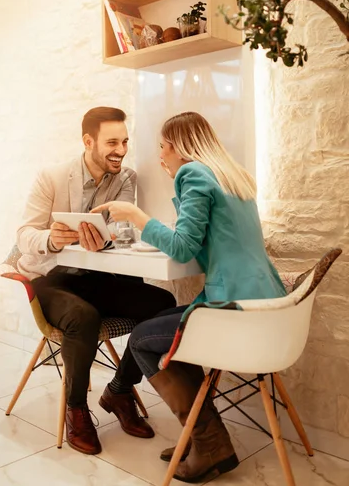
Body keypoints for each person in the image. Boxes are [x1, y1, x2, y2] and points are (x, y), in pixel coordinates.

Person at [92, 111, 287, 483]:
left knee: (142, 339)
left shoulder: (193, 173)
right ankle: (204, 439)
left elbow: (182, 250)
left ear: (181, 146)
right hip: (267, 307)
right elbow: (201, 241)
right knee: (167, 328)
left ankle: (209, 442)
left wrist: (135, 215)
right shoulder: (231, 176)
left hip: (235, 310)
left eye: (163, 147)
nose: (160, 156)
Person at [16, 106, 176, 456]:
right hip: (51, 280)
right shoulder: (52, 176)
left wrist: (106, 238)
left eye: (125, 141)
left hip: (97, 278)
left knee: (163, 305)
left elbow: (121, 233)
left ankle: (119, 390)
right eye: (112, 142)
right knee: (83, 317)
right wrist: (51, 239)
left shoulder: (126, 179)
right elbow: (24, 234)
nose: (120, 150)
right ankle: (77, 409)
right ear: (88, 141)